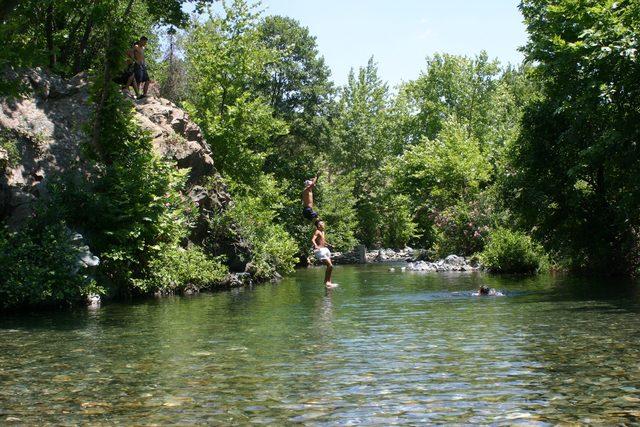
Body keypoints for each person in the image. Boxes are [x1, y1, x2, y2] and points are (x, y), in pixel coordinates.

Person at [312, 220, 337, 288]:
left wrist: (330, 245)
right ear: (319, 226)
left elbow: (323, 241)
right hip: (319, 250)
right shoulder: (317, 231)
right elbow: (313, 239)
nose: (324, 224)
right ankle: (327, 282)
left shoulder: (322, 232)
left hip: (325, 249)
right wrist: (315, 245)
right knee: (330, 266)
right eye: (322, 223)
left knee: (330, 267)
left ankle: (328, 282)